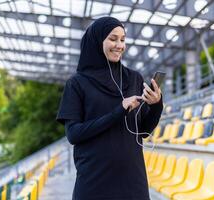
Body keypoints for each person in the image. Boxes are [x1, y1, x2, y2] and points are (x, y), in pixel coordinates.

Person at [56, 16, 163, 200]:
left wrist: (156, 105)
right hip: (94, 182)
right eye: (113, 39)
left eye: (123, 39)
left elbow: (144, 131)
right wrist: (118, 111)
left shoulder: (134, 78)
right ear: (97, 41)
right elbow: (73, 134)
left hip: (133, 181)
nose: (119, 45)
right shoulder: (77, 84)